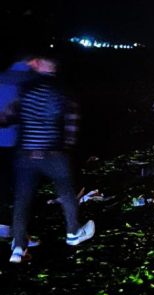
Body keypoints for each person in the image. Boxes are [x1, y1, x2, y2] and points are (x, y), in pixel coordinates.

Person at [9, 55, 94, 263]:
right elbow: (72, 117)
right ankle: (73, 233)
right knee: (65, 190)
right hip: (52, 153)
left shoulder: (25, 90)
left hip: (26, 155)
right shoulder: (59, 89)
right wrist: (68, 144)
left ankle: (18, 248)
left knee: (22, 201)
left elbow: (8, 115)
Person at [0, 58, 35, 241]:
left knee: (5, 184)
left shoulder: (6, 78)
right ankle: (8, 228)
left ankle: (5, 226)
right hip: (11, 142)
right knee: (13, 186)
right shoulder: (21, 79)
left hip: (8, 140)